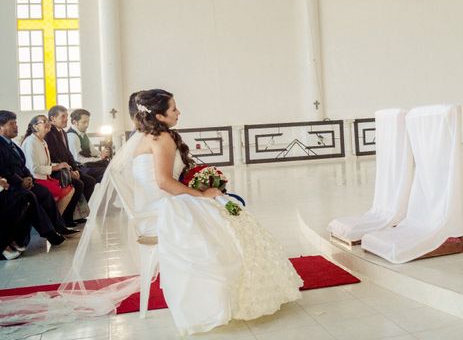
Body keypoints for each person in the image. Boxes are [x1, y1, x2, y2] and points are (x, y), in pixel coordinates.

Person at [130, 89, 302, 334]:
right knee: (224, 214)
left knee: (223, 207)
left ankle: (241, 281)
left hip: (153, 206)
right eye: (174, 109)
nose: (179, 112)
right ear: (159, 116)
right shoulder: (161, 139)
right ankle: (237, 287)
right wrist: (200, 194)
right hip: (163, 209)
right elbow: (164, 182)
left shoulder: (148, 137)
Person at [0, 111, 72, 247]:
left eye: (15, 123)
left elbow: (23, 165)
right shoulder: (3, 145)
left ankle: (57, 227)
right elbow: (4, 170)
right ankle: (50, 233)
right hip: (11, 185)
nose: (16, 126)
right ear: (0, 128)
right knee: (31, 196)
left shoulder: (13, 144)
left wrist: (28, 178)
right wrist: (20, 181)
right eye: (11, 124)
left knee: (43, 193)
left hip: (25, 181)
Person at [45, 105, 96, 226]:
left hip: (67, 168)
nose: (66, 119)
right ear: (52, 119)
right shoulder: (49, 134)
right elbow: (53, 156)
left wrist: (75, 169)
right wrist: (68, 171)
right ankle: (66, 218)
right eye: (63, 117)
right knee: (78, 184)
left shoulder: (62, 132)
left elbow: (68, 154)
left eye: (66, 116)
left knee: (90, 181)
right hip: (56, 170)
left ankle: (76, 214)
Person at [22, 115, 76, 216]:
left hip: (46, 177)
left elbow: (46, 163)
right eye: (44, 121)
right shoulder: (31, 142)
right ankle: (56, 222)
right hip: (36, 179)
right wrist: (55, 167)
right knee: (67, 191)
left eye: (48, 121)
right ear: (35, 126)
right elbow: (34, 168)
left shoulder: (42, 141)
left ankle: (56, 221)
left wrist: (61, 164)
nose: (48, 123)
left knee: (70, 188)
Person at [67, 109, 109, 183]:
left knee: (109, 164)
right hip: (80, 167)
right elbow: (78, 159)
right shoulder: (72, 136)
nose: (87, 125)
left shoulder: (83, 133)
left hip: (87, 164)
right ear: (75, 122)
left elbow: (92, 151)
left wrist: (101, 154)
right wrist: (99, 158)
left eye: (88, 122)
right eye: (84, 122)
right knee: (106, 171)